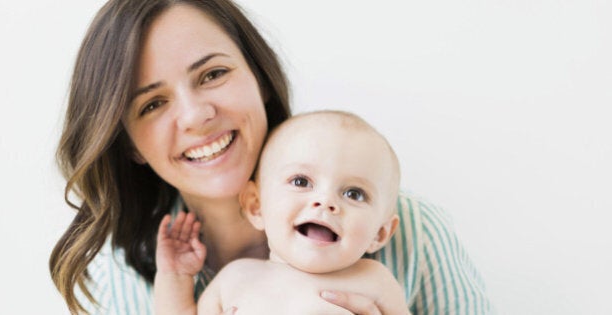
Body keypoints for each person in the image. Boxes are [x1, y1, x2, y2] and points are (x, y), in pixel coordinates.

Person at [49, 0, 492, 314]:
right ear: (128, 144)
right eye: (151, 104)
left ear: (259, 77)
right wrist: (175, 282)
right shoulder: (127, 278)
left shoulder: (410, 233)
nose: (196, 115)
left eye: (213, 74)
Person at [156, 110, 409, 314]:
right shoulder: (237, 278)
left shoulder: (376, 281)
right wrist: (174, 277)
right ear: (256, 206)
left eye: (354, 194)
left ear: (380, 233)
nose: (326, 202)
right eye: (301, 182)